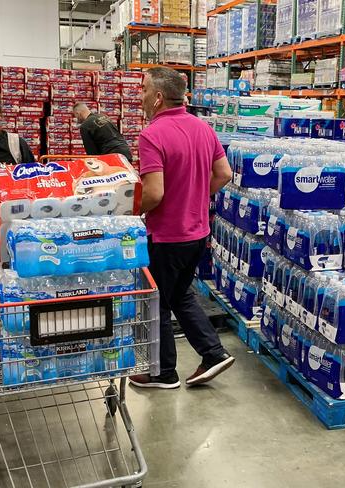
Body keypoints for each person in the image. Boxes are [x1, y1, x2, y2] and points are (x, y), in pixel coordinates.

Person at [128, 67, 235, 389]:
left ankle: (163, 373)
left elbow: (154, 193)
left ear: (158, 97)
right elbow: (224, 173)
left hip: (166, 235)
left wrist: (128, 212)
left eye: (144, 89)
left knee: (157, 300)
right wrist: (194, 196)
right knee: (181, 294)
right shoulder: (204, 129)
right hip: (198, 232)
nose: (140, 95)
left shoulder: (152, 134)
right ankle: (213, 353)